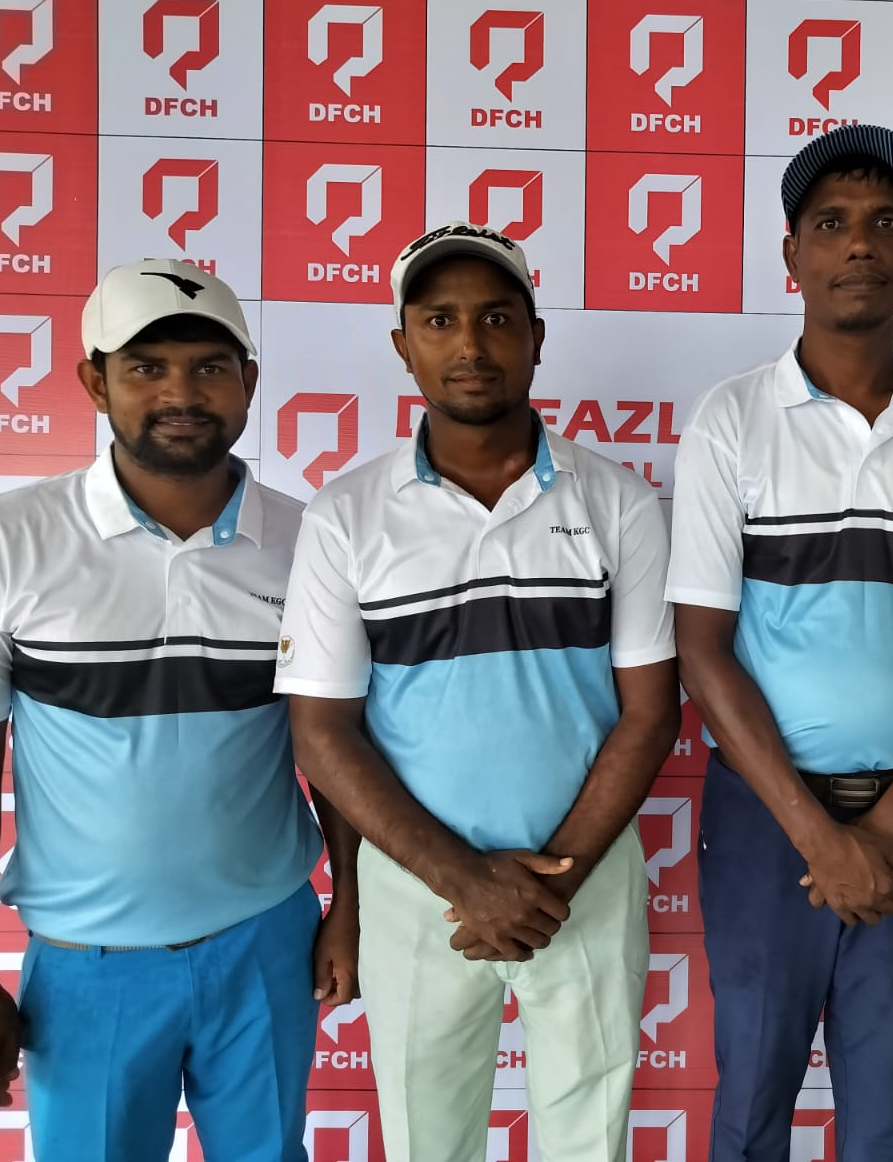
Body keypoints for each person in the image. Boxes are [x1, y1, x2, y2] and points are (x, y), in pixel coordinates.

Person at [0, 259, 359, 1162]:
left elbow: (336, 744)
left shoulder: (311, 542)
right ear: (95, 382)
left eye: (209, 367)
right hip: (87, 966)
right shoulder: (1, 542)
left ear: (249, 381)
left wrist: (348, 903)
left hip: (268, 944)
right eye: (146, 368)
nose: (181, 393)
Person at [277, 221, 679, 1162]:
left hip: (583, 881)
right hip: (417, 891)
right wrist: (462, 881)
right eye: (440, 320)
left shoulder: (617, 501)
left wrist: (553, 882)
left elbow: (651, 711)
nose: (470, 344)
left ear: (536, 336)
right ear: (402, 343)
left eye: (497, 318)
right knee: (429, 1142)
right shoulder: (347, 515)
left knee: (590, 1144)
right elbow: (322, 732)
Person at [665, 124, 893, 1161]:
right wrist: (822, 841)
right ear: (792, 254)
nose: (858, 243)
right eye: (830, 224)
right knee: (750, 1102)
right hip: (766, 823)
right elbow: (701, 648)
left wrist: (892, 824)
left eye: (882, 222)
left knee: (878, 1111)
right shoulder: (732, 418)